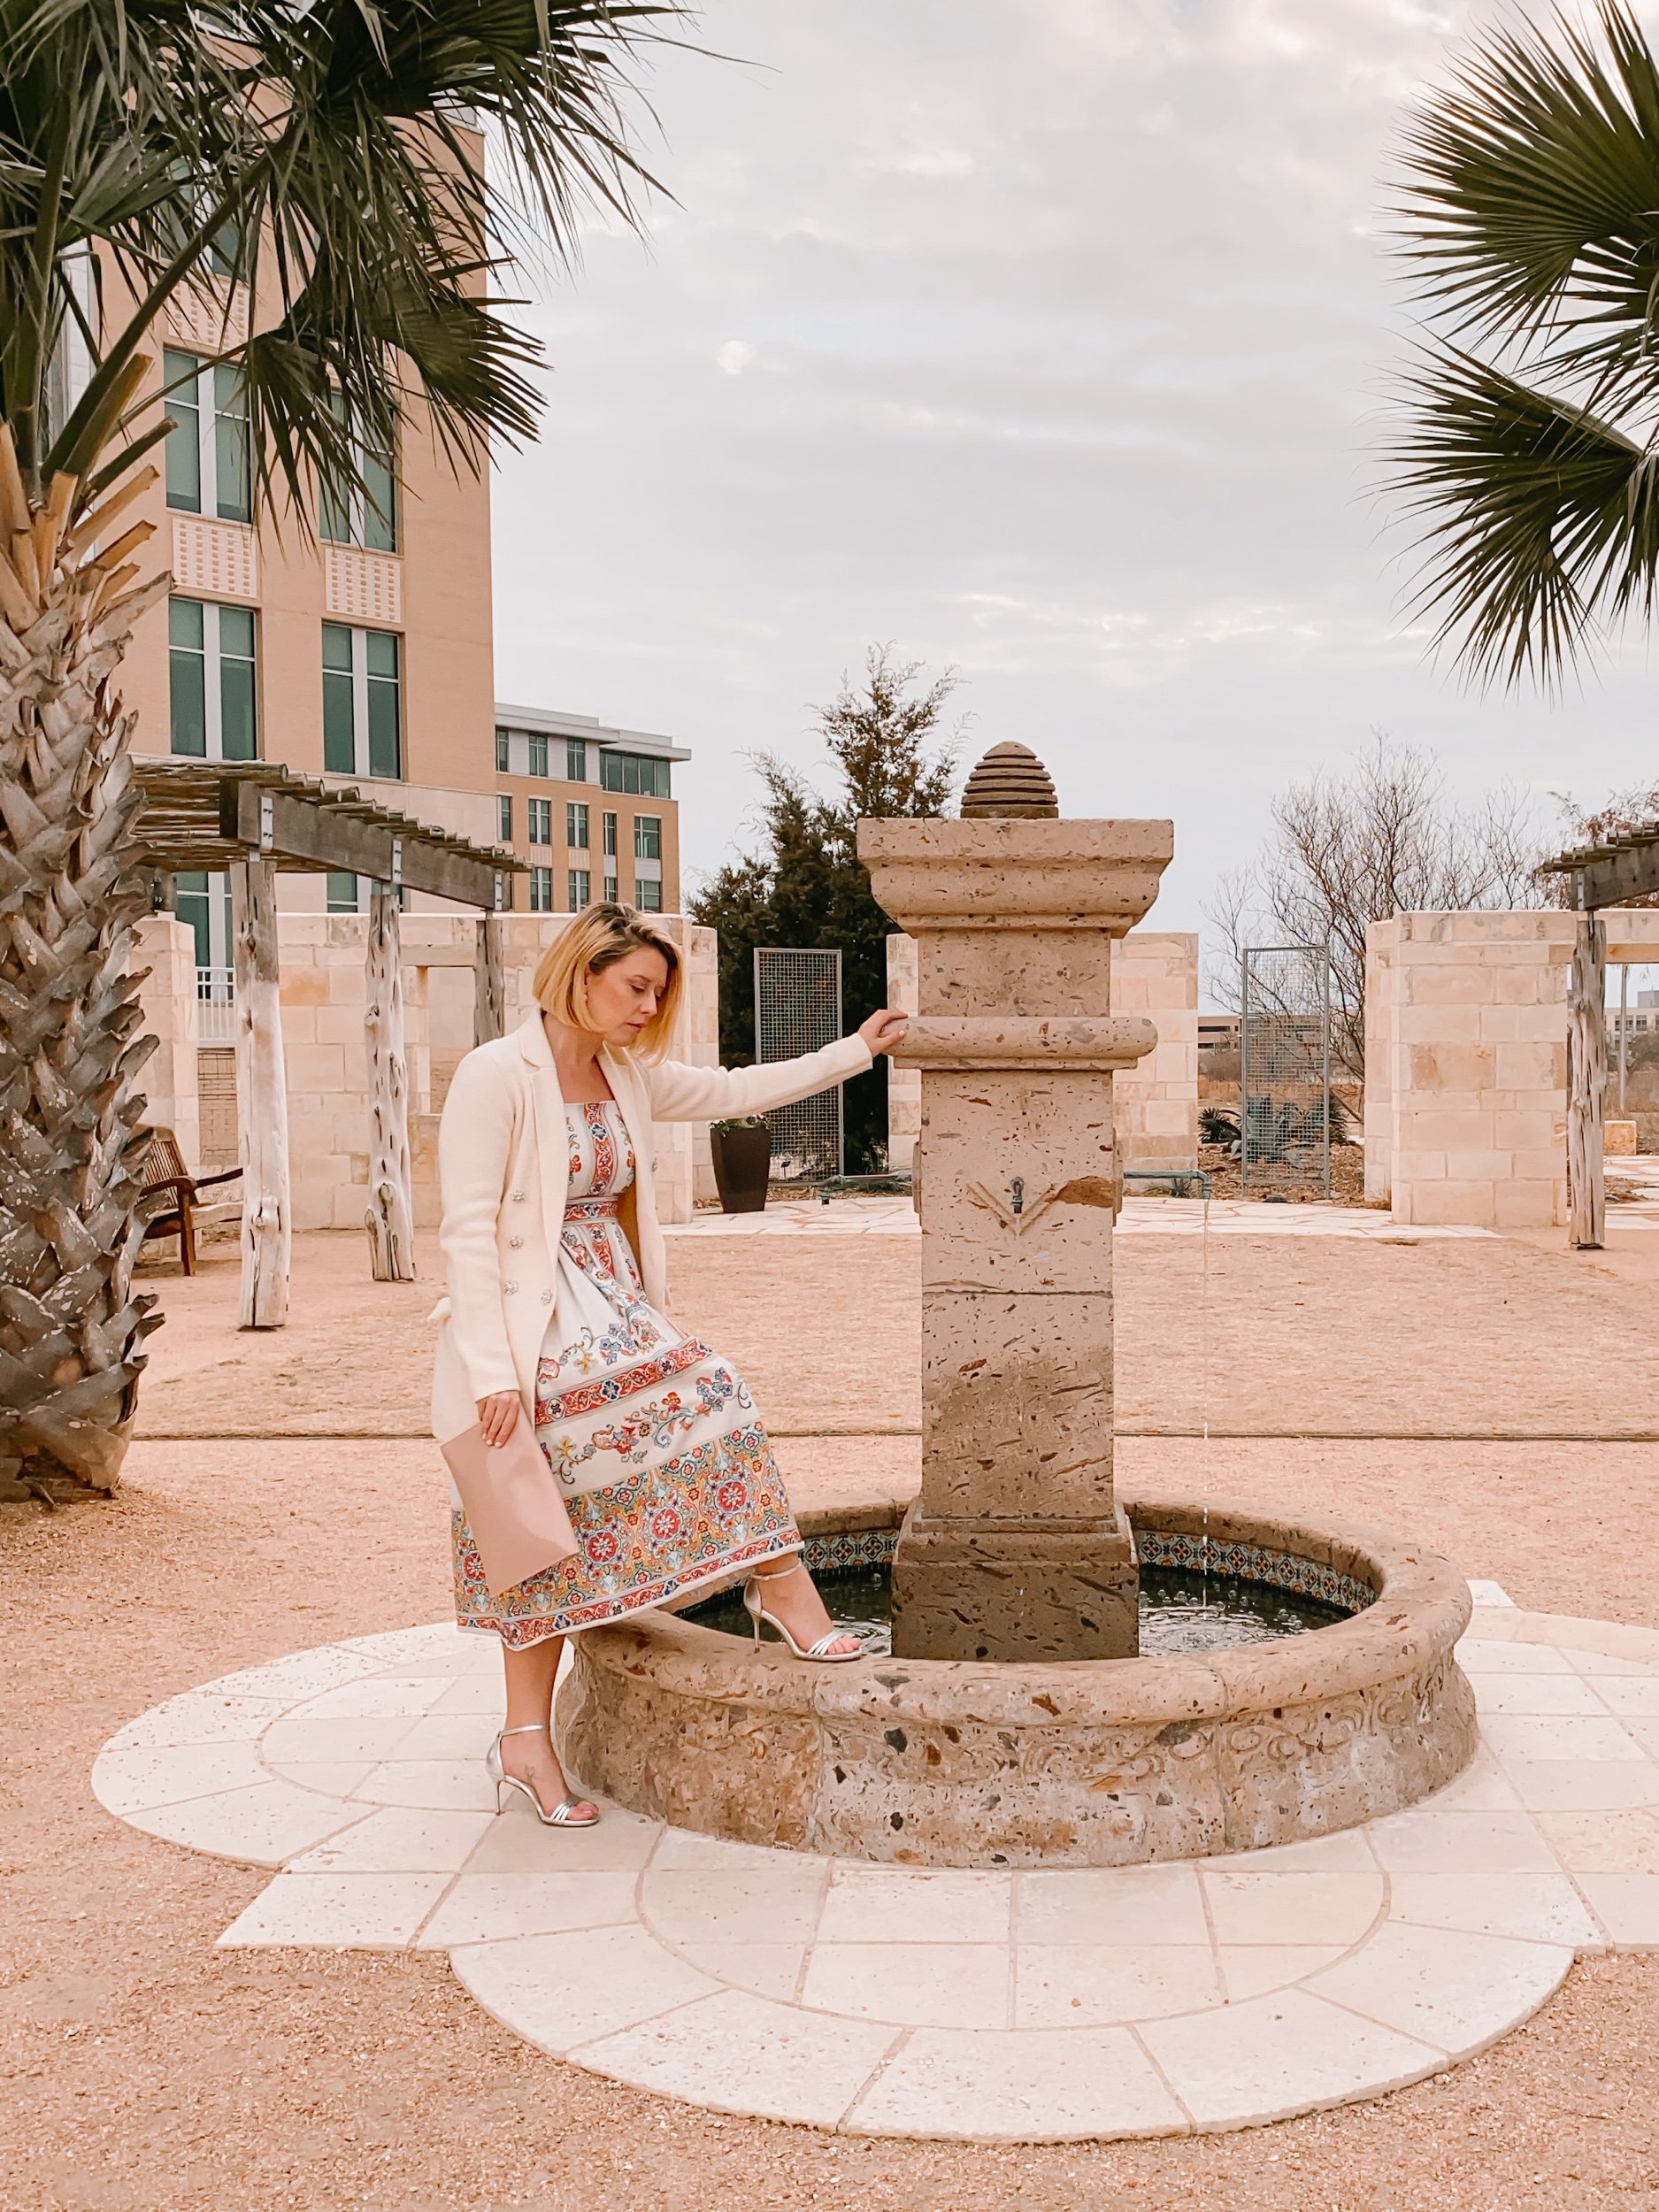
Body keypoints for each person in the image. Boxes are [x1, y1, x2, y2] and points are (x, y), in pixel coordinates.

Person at [432, 903, 908, 1828]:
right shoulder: (496, 1074)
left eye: (658, 991)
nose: (649, 1007)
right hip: (532, 1329)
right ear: (581, 974)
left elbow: (735, 1089)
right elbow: (465, 1234)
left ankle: (777, 1590)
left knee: (713, 1393)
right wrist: (494, 1373)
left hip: (615, 1306)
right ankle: (527, 1739)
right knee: (533, 1512)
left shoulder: (626, 1074)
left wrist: (855, 1050)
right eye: (636, 987)